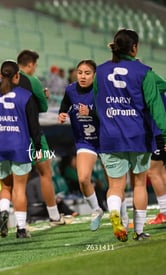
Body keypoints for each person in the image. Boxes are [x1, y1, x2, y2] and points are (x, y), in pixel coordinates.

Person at [94, 28, 166, 242]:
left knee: (115, 185)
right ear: (134, 47)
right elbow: (156, 105)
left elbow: (96, 102)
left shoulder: (99, 72)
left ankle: (115, 214)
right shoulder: (144, 72)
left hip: (109, 136)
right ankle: (139, 231)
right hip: (138, 137)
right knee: (139, 183)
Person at [0, 60, 42, 238]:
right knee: (19, 188)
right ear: (17, 75)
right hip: (19, 146)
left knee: (5, 186)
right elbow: (34, 125)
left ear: (0, 75)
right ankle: (22, 228)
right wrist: (38, 146)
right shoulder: (25, 96)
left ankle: (3, 212)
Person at [16, 50, 66, 226]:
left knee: (18, 181)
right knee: (45, 173)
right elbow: (43, 108)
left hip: (13, 134)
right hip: (32, 133)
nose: (35, 69)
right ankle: (54, 216)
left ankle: (19, 224)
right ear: (29, 64)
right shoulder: (32, 81)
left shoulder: (5, 82)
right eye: (35, 65)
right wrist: (44, 97)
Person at [58, 59, 105, 231]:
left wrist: (91, 112)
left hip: (106, 140)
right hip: (85, 141)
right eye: (80, 72)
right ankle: (96, 209)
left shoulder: (101, 90)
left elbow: (110, 114)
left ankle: (121, 216)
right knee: (83, 178)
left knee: (114, 183)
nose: (83, 76)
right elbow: (65, 105)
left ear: (94, 75)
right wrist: (62, 114)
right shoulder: (70, 89)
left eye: (87, 73)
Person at [147, 80, 166, 224]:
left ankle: (164, 212)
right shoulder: (155, 85)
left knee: (153, 171)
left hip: (160, 133)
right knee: (162, 171)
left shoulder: (147, 87)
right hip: (159, 132)